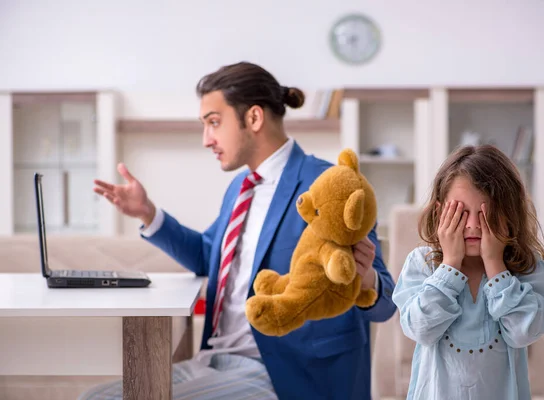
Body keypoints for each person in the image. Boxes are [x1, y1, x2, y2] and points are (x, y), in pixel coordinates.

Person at [81, 61, 397, 400]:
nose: (207, 140)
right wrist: (148, 213)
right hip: (214, 358)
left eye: (214, 123)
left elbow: (387, 303)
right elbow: (209, 255)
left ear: (254, 118)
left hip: (283, 371)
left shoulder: (328, 185)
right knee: (95, 396)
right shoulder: (240, 188)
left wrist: (365, 280)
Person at [392, 144, 544, 400]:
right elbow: (420, 329)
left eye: (485, 213)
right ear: (440, 213)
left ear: (508, 214)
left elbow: (523, 332)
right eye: (460, 212)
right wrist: (449, 265)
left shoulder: (527, 267)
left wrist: (494, 263)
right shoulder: (422, 265)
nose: (472, 225)